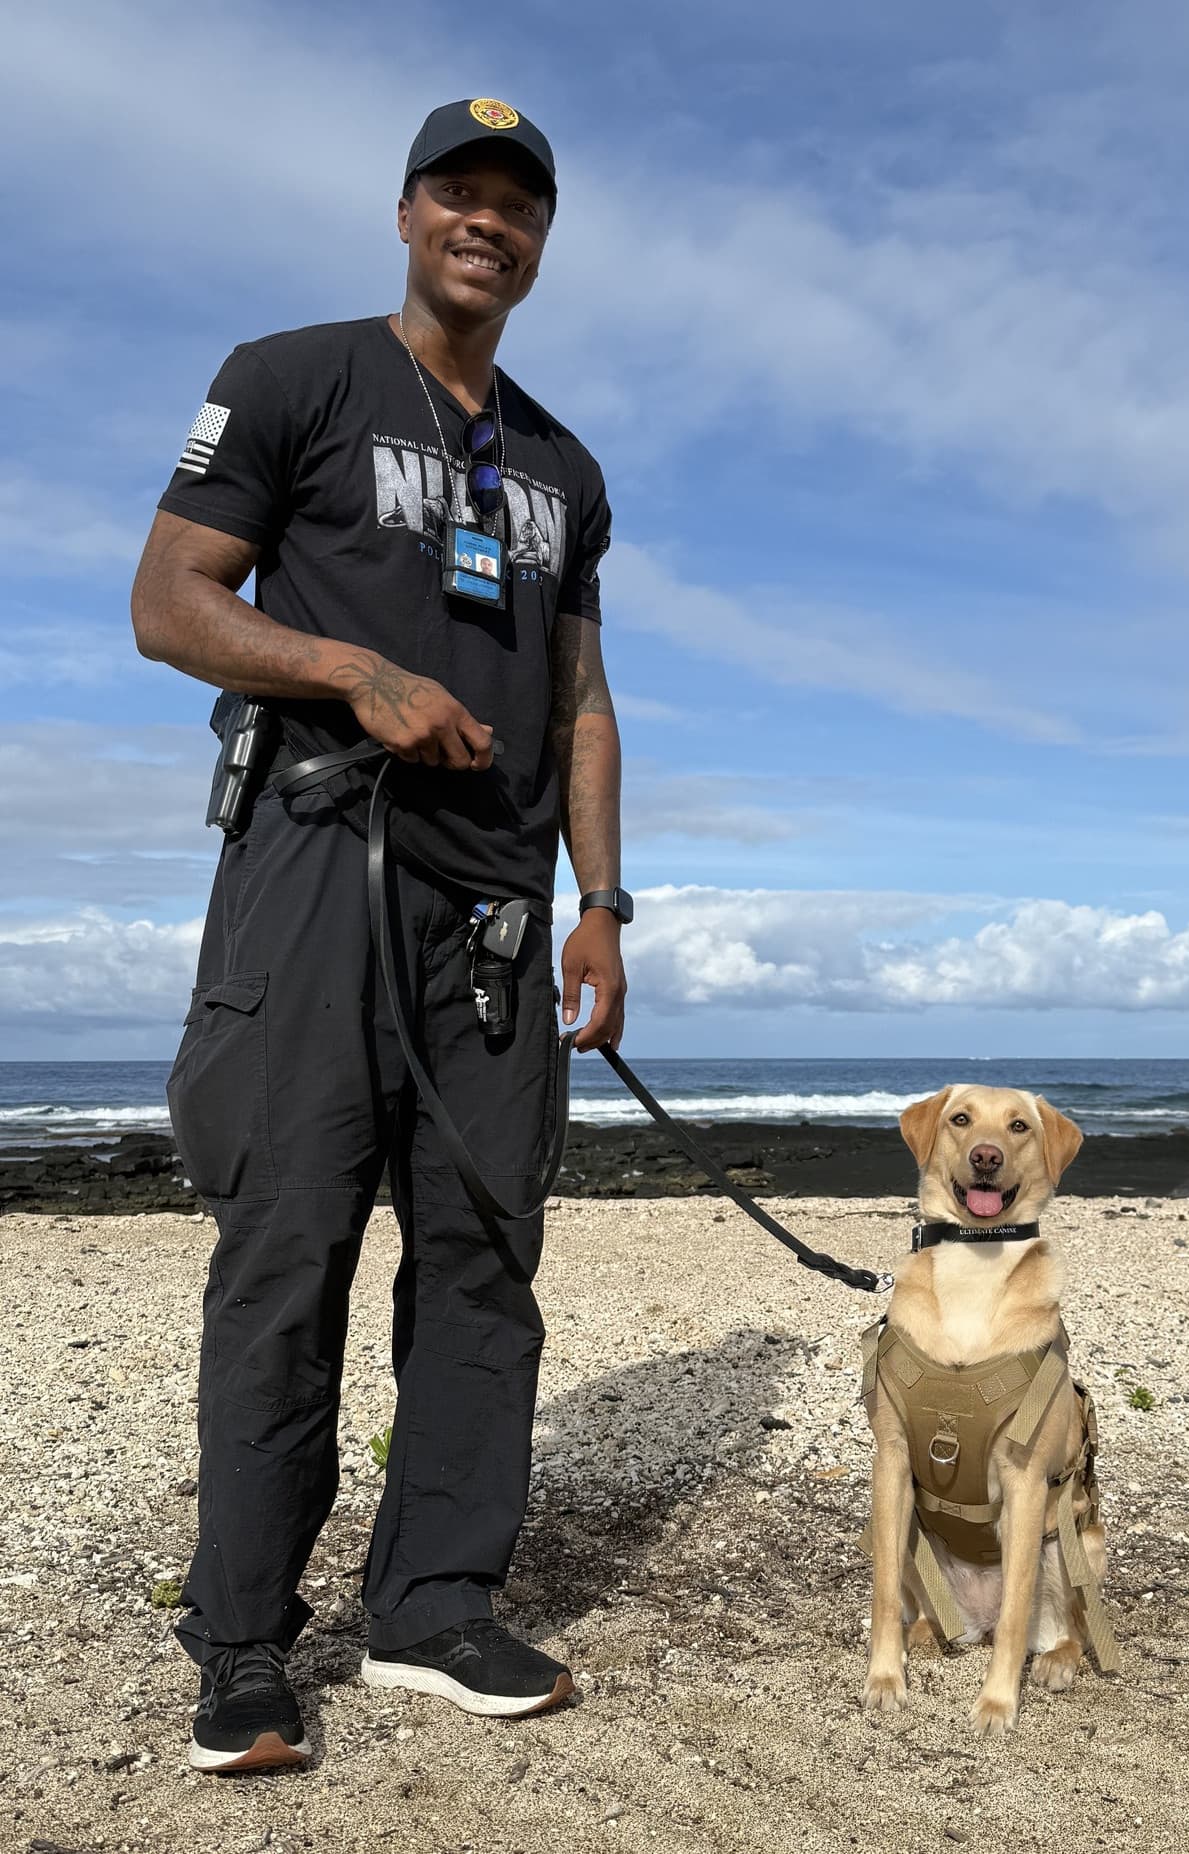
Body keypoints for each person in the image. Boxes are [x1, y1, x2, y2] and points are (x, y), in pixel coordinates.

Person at [130, 98, 631, 1774]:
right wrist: (356, 669)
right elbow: (170, 602)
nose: (486, 225)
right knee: (287, 1255)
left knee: (486, 1257)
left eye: (517, 207)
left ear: (541, 243)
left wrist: (600, 905)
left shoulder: (563, 465)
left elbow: (582, 701)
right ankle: (247, 1641)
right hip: (319, 866)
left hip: (494, 912)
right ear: (410, 211)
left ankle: (432, 1602)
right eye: (460, 195)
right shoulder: (295, 377)